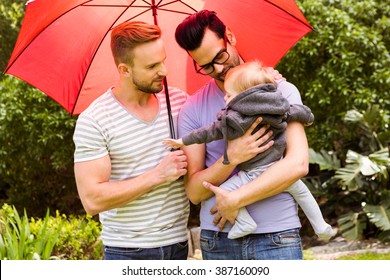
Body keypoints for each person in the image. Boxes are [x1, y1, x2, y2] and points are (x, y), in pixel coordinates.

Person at [174, 10, 316, 260]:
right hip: (218, 240)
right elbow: (195, 192)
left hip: (277, 236)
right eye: (206, 66)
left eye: (220, 56)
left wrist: (236, 199)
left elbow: (298, 164)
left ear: (229, 36)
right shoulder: (192, 109)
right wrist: (232, 158)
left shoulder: (281, 91)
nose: (218, 68)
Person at [163, 60, 334, 240]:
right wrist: (309, 117)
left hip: (251, 175)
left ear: (244, 96)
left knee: (225, 192)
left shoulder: (233, 118)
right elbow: (298, 111)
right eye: (206, 65)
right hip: (276, 170)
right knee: (303, 194)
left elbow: (208, 132)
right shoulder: (279, 106)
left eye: (229, 95)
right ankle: (321, 226)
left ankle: (244, 222)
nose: (225, 99)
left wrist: (182, 141)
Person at [73, 21, 190, 260]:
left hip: (179, 245)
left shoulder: (179, 102)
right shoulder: (95, 120)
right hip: (127, 252)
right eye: (152, 66)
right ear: (124, 70)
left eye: (163, 60)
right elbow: (92, 199)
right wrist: (158, 175)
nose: (164, 71)